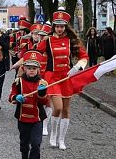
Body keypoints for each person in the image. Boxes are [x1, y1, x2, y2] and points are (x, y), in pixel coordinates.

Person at [36, 10, 88, 150]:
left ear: (66, 27)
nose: (59, 29)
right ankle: (53, 135)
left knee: (66, 109)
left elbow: (84, 57)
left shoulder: (71, 41)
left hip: (66, 77)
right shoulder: (48, 40)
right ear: (54, 26)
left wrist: (78, 67)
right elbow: (36, 54)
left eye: (62, 26)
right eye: (57, 26)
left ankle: (62, 139)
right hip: (52, 77)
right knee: (57, 107)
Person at [8, 50, 49, 159]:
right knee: (24, 142)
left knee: (36, 143)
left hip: (37, 118)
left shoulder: (43, 83)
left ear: (38, 69)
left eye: (34, 68)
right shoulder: (18, 82)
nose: (31, 70)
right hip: (23, 117)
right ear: (24, 68)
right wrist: (16, 98)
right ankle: (24, 153)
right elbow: (11, 97)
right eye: (29, 68)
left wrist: (42, 93)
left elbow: (45, 101)